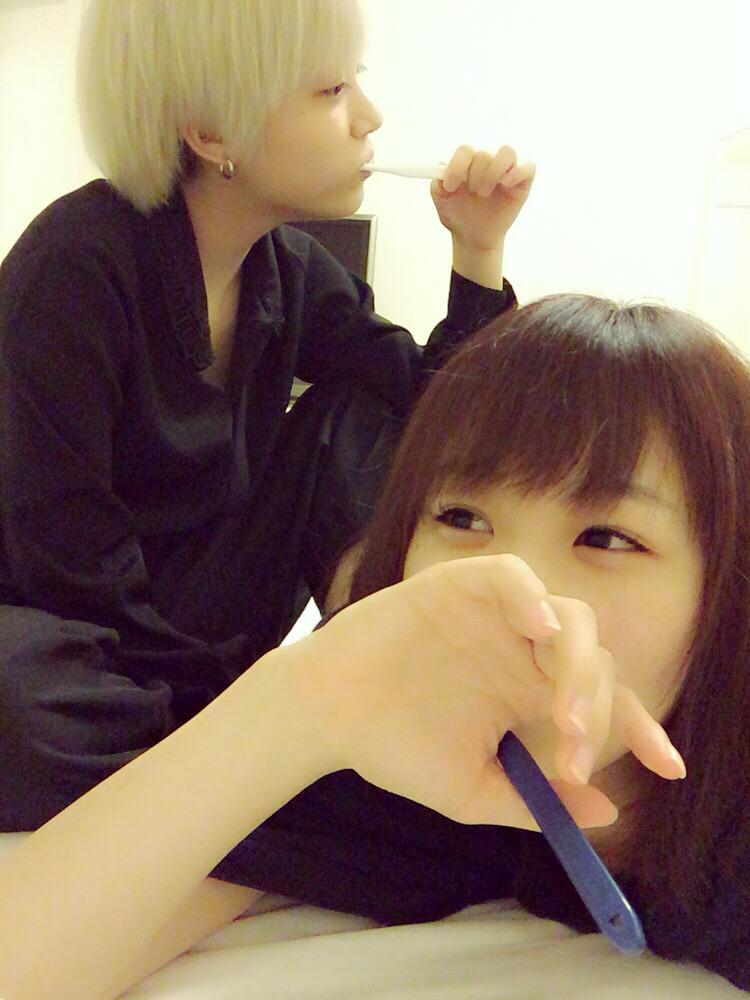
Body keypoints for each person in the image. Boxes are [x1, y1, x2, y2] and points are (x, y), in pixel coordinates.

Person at [1, 291, 741, 1000]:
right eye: (461, 518)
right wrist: (301, 701)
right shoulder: (405, 759)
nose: (510, 588)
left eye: (608, 538)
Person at [0, 0, 530, 834]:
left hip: (206, 629)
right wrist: (234, 703)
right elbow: (65, 560)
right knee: (16, 707)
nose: (369, 117)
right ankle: (269, 763)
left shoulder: (288, 269)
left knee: (352, 413)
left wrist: (477, 249)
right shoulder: (73, 267)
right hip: (85, 636)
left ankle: (374, 684)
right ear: (213, 130)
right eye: (331, 90)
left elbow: (437, 411)